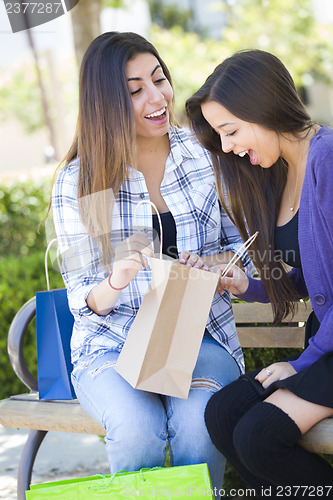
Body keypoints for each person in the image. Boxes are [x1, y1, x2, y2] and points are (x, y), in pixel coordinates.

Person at [51, 32, 254, 496]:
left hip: (198, 336)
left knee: (203, 426)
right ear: (105, 103)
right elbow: (84, 302)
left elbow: (243, 250)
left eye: (159, 79)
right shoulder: (79, 182)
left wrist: (214, 266)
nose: (157, 97)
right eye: (135, 89)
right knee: (138, 431)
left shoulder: (206, 156)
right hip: (110, 347)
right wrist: (116, 278)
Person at [185, 49, 333, 497]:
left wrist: (301, 363)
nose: (228, 147)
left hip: (323, 351)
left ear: (262, 106)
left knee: (258, 436)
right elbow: (318, 283)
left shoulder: (327, 161)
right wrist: (244, 285)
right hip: (324, 346)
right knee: (222, 415)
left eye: (230, 131)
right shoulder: (282, 174)